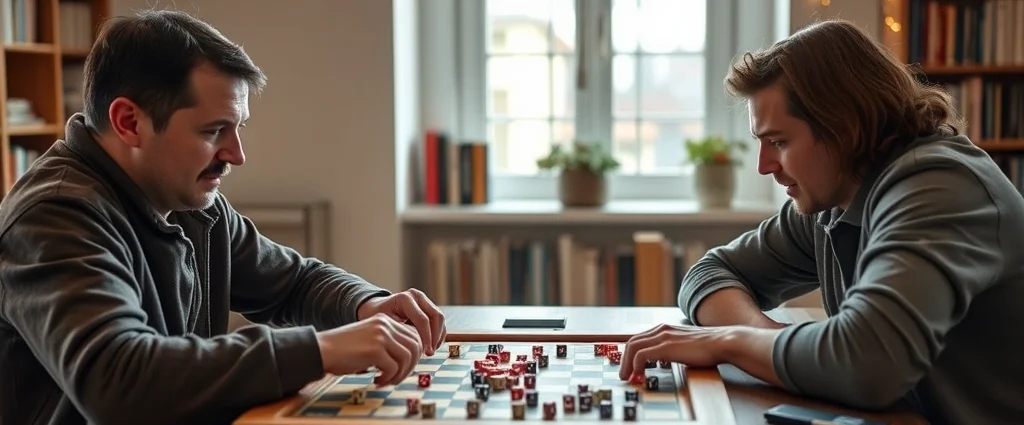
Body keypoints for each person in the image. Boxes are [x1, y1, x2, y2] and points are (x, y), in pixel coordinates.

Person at [0, 9, 447, 425]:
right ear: (129, 122)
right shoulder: (53, 216)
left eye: (238, 128)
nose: (237, 155)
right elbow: (118, 379)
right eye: (214, 131)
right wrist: (320, 349)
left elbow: (292, 282)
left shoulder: (191, 201)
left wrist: (366, 304)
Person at [619, 19, 1024, 425]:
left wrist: (728, 341)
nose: (765, 166)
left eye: (778, 142)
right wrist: (761, 337)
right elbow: (710, 272)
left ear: (843, 127)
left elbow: (868, 365)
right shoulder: (838, 195)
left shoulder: (940, 189)